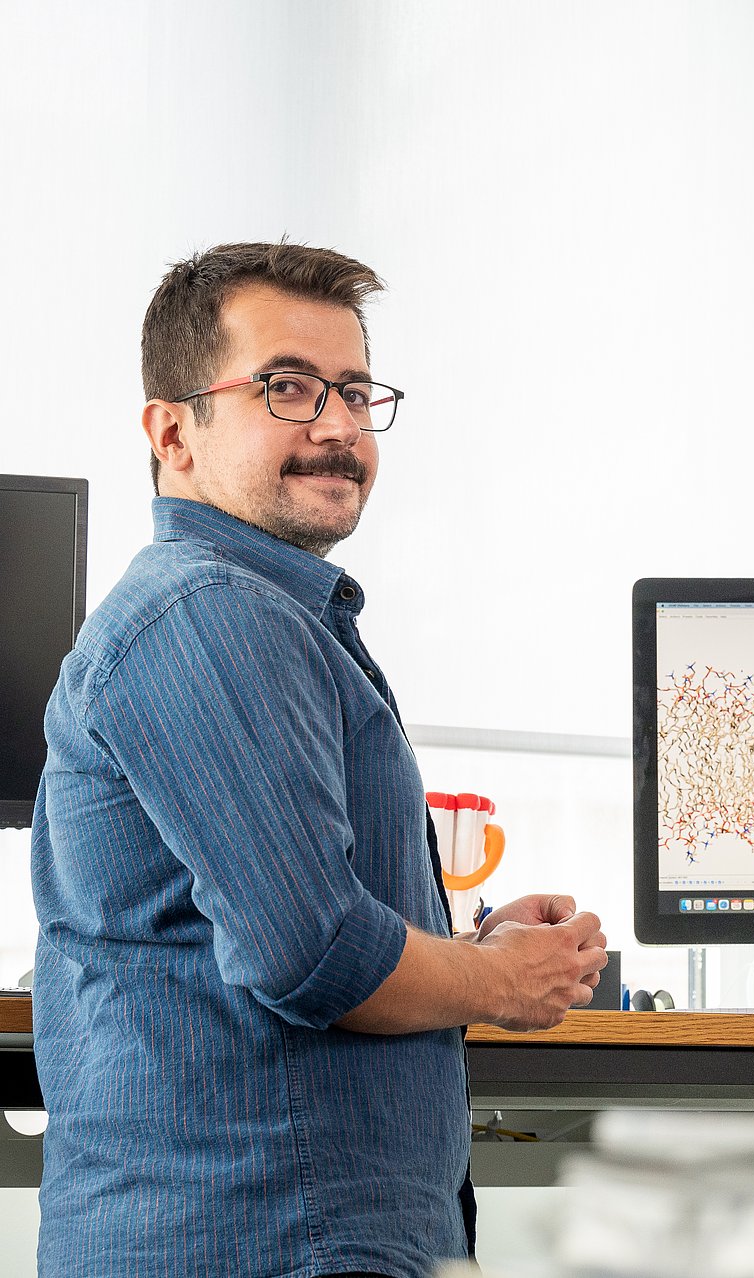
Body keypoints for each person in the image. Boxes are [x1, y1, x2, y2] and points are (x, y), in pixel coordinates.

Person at [31, 242, 608, 1277]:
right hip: (260, 1243)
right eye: (287, 389)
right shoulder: (210, 612)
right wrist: (498, 981)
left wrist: (463, 936)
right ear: (174, 433)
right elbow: (316, 957)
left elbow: (296, 917)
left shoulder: (276, 617)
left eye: (352, 390)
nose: (338, 426)